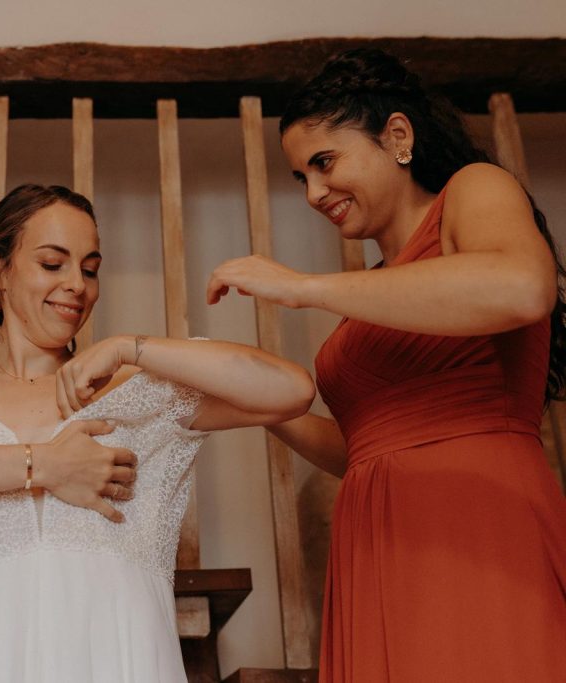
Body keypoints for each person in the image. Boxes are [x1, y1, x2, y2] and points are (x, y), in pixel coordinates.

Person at [0, 183, 316, 682]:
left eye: (89, 269)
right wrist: (43, 465)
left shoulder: (132, 386)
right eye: (52, 263)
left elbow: (289, 390)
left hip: (122, 659)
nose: (77, 285)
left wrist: (131, 347)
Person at [205, 48, 566, 681]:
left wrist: (302, 287)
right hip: (377, 541)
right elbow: (364, 447)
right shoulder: (376, 292)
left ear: (397, 135)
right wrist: (258, 408)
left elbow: (521, 287)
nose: (315, 193)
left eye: (324, 162)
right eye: (301, 178)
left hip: (476, 526)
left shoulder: (473, 191)